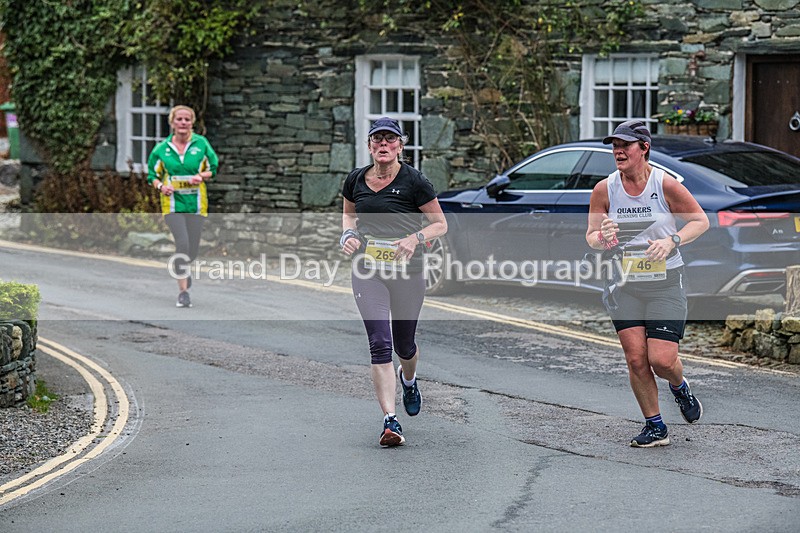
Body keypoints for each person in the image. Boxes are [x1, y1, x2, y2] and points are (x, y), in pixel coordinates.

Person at [585, 119, 710, 448]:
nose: (618, 151)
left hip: (666, 281)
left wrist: (672, 240)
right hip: (625, 283)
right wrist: (604, 236)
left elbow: (701, 221)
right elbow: (592, 238)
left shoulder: (664, 185)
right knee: (636, 358)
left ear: (644, 148)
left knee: (662, 360)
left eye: (625, 145)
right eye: (615, 145)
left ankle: (680, 386)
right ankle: (656, 427)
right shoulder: (605, 189)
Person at [341, 117, 448, 447]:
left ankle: (410, 378)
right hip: (368, 268)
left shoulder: (415, 181)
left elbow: (439, 225)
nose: (383, 144)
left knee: (405, 345)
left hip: (408, 271)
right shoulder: (356, 179)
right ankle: (390, 421)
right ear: (370, 145)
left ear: (401, 145)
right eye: (377, 139)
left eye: (390, 139)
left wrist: (414, 238)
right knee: (380, 343)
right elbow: (349, 214)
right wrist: (347, 233)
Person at [147, 105, 218, 308]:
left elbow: (213, 168)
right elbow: (152, 175)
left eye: (187, 119)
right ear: (172, 123)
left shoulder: (201, 144)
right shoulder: (162, 149)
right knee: (183, 243)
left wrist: (200, 176)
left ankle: (184, 268)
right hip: (173, 205)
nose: (183, 123)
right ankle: (183, 292)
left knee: (193, 249)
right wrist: (161, 187)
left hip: (196, 204)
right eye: (179, 119)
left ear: (192, 123)